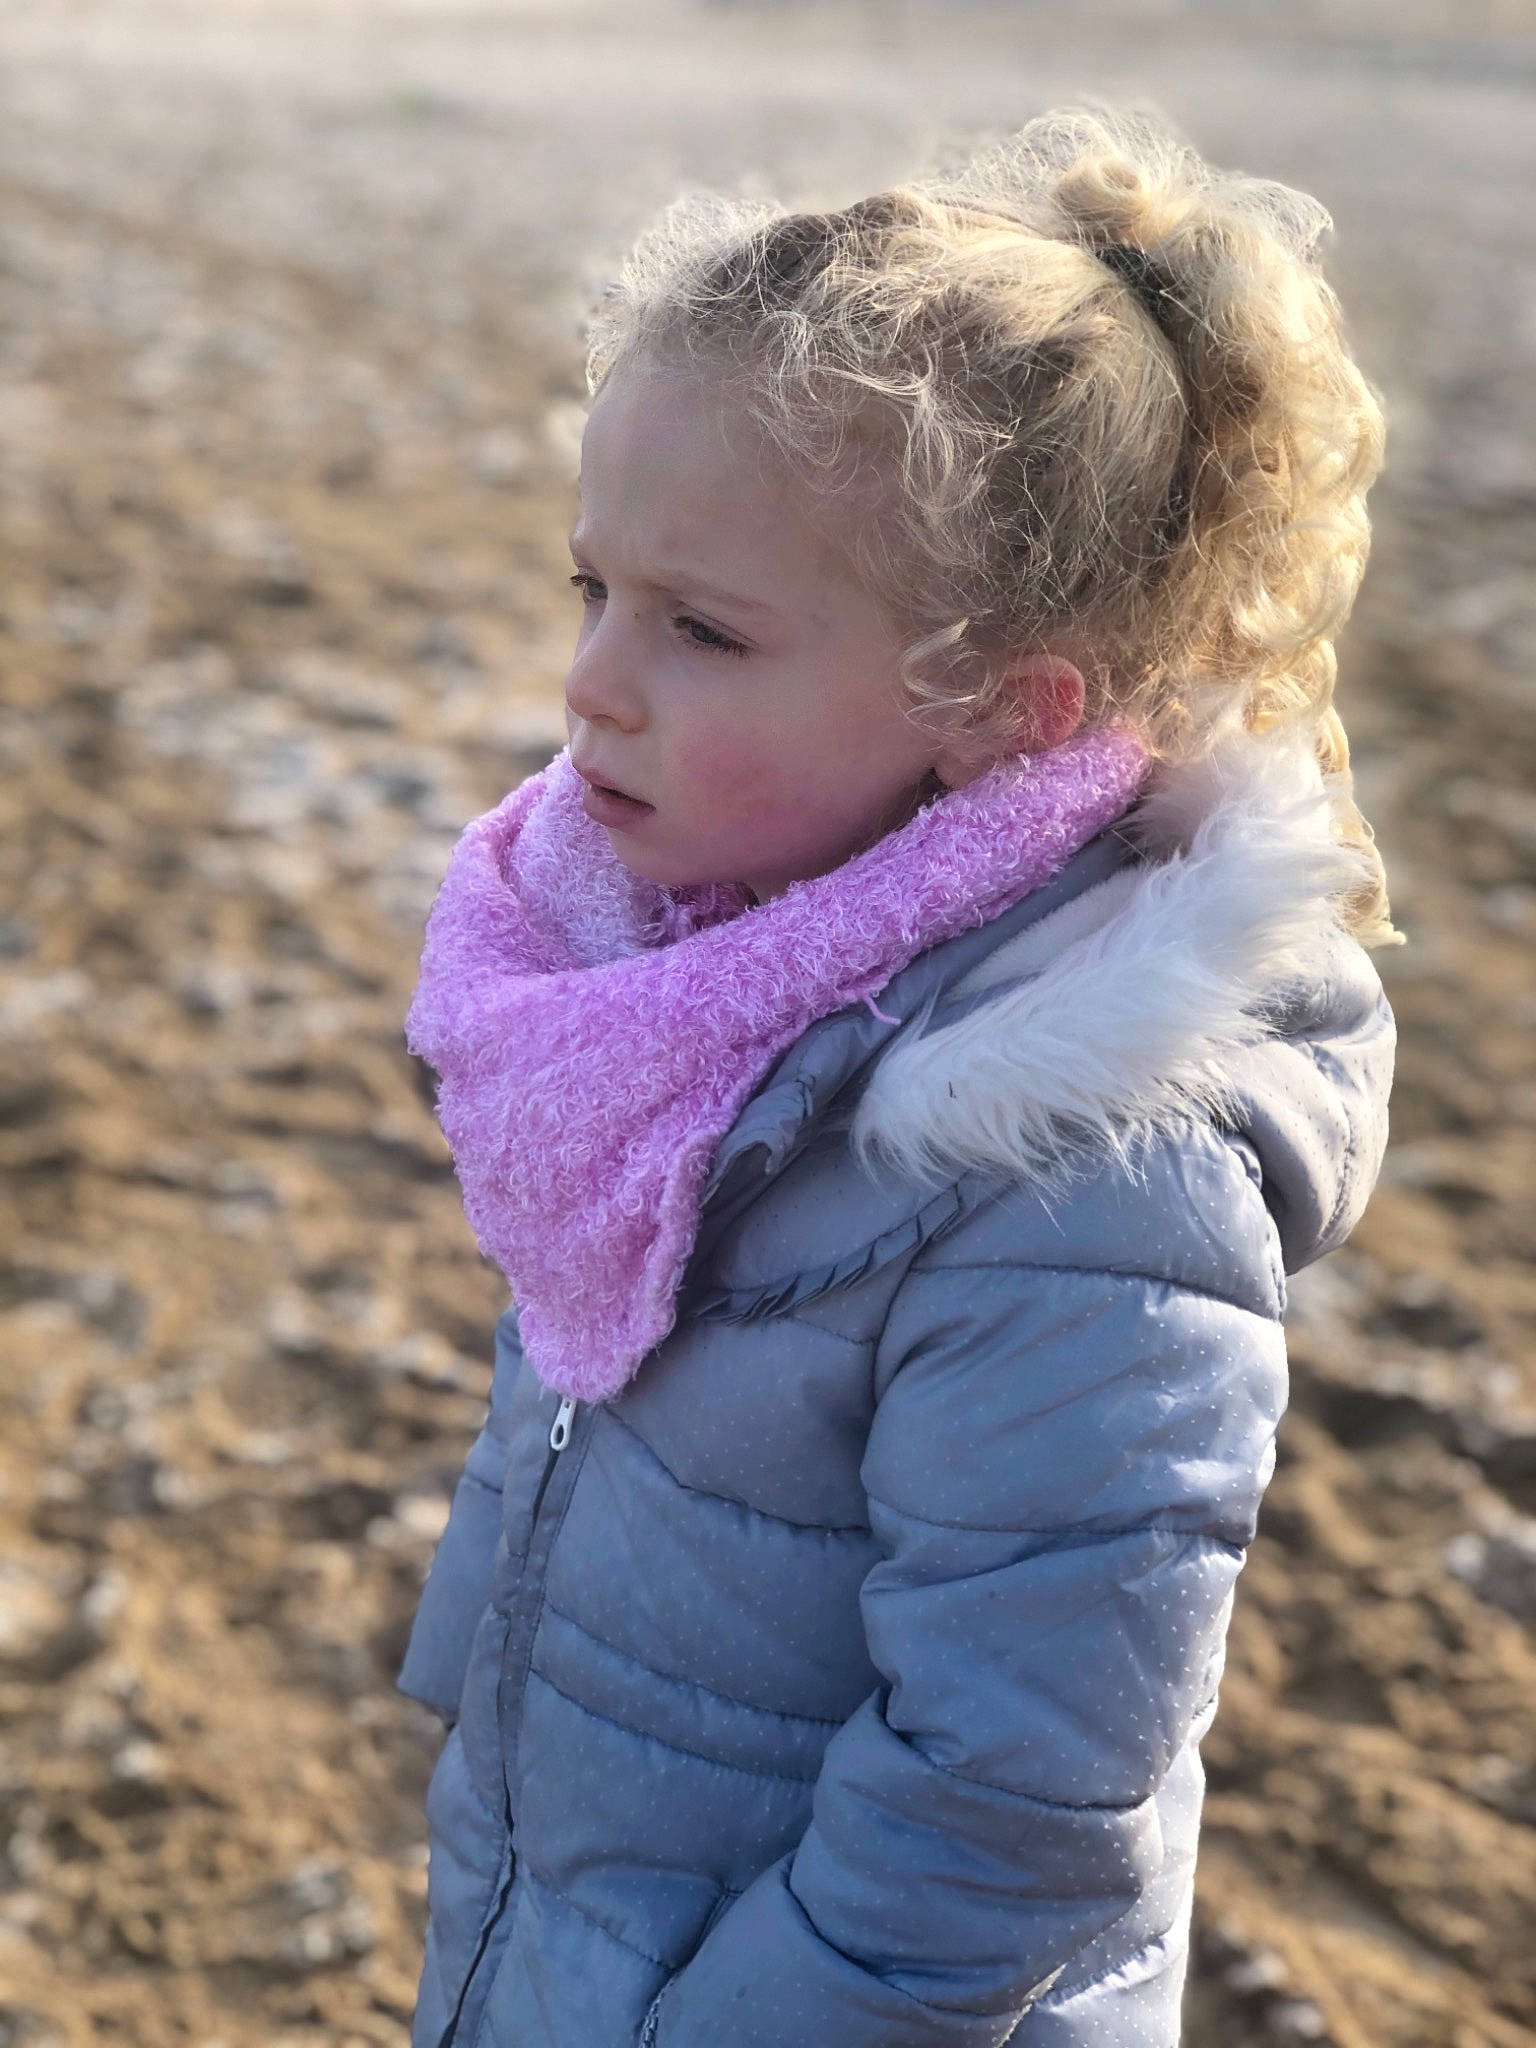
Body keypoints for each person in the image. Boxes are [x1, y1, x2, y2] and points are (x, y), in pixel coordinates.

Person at [398, 104, 1396, 2048]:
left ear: (997, 715)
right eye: (589, 586)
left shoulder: (1082, 1170)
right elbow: (591, 1413)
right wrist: (489, 1719)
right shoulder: (672, 977)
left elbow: (1012, 1803)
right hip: (596, 1903)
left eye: (702, 627)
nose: (596, 678)